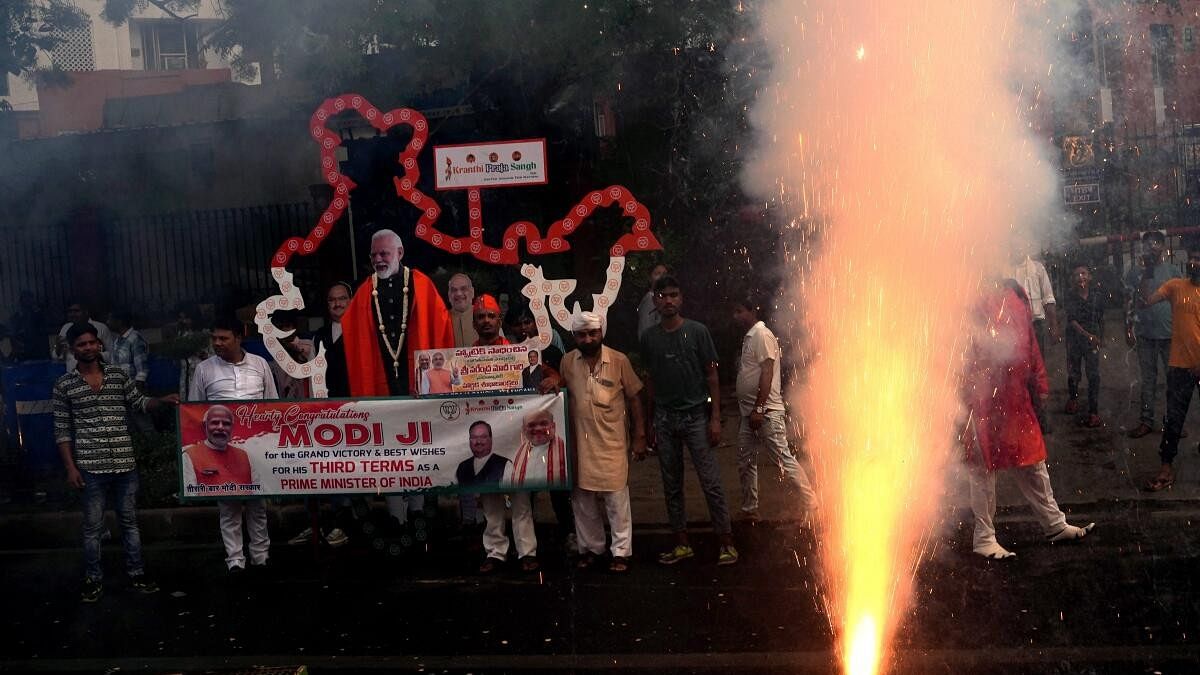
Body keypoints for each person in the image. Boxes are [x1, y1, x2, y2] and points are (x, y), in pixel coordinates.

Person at [962, 281, 1095, 559]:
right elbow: (958, 350)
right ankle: (984, 538)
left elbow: (1030, 341)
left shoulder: (1015, 292)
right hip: (982, 397)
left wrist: (1040, 382)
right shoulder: (967, 295)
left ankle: (1055, 525)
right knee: (982, 467)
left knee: (1033, 463)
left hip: (1015, 397)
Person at [53, 322, 177, 602]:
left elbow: (139, 403)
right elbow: (61, 430)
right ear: (73, 350)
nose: (88, 348)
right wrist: (71, 468)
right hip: (90, 467)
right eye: (81, 344)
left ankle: (137, 573)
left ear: (99, 344)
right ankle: (93, 578)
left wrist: (162, 400)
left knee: (130, 522)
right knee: (92, 527)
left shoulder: (119, 376)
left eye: (91, 343)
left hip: (124, 463)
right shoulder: (64, 385)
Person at [640, 275, 738, 566]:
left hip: (696, 416)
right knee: (671, 483)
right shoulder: (649, 338)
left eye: (673, 295)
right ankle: (682, 543)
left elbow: (712, 375)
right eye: (663, 296)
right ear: (655, 300)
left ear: (681, 299)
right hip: (665, 418)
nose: (668, 301)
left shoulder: (697, 332)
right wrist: (649, 423)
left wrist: (716, 417)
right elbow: (650, 381)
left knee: (711, 482)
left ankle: (726, 543)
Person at [189, 316, 279, 576]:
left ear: (241, 336)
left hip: (255, 448)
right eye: (214, 338)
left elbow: (272, 405)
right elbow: (196, 411)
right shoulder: (204, 369)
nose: (217, 343)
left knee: (257, 505)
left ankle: (261, 557)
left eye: (223, 338)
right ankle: (235, 561)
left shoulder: (260, 365)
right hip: (219, 449)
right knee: (228, 506)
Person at [559, 311, 646, 573]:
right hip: (580, 444)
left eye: (592, 333)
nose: (588, 338)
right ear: (574, 337)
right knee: (583, 500)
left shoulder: (619, 360)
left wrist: (640, 436)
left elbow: (634, 399)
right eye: (582, 334)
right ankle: (592, 549)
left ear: (601, 333)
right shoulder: (567, 361)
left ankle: (621, 553)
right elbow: (561, 389)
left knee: (616, 500)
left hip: (612, 442)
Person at [731, 297, 817, 523]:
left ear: (752, 310)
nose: (736, 317)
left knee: (783, 458)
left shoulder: (762, 335)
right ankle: (750, 509)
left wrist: (759, 407)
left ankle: (811, 504)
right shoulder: (750, 337)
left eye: (739, 311)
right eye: (734, 312)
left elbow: (767, 372)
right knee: (746, 460)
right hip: (749, 413)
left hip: (765, 412)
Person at [342, 228, 454, 396]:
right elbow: (350, 332)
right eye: (373, 255)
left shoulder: (422, 285)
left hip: (418, 380)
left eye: (383, 254)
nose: (378, 260)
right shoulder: (365, 292)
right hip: (381, 379)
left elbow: (441, 328)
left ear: (400, 253)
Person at [1141, 248, 1200, 491]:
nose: (1194, 263)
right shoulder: (1176, 286)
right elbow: (1147, 300)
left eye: (1199, 260)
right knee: (1173, 419)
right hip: (1179, 366)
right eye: (1193, 259)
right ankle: (1166, 467)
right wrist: (1148, 270)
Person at [1125, 231, 1179, 438]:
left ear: (1163, 247)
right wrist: (1128, 326)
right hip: (1145, 334)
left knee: (1173, 381)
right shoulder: (1135, 272)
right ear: (1143, 248)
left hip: (1169, 334)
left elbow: (1180, 302)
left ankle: (1174, 423)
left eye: (1157, 242)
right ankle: (1146, 421)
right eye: (1148, 244)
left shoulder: (1173, 271)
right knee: (1148, 380)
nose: (1153, 246)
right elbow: (1130, 300)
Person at [1063, 264, 1105, 428]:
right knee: (1074, 372)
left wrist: (1101, 336)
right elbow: (1072, 321)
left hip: (1092, 339)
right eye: (1077, 274)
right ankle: (1073, 399)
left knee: (1093, 375)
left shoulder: (1097, 296)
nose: (1081, 277)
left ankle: (1093, 412)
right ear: (1073, 279)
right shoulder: (1070, 296)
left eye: (1084, 273)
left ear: (1090, 277)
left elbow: (1101, 317)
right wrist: (1090, 336)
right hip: (1075, 339)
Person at [181, 405, 257, 492]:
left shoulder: (244, 456)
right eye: (215, 423)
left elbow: (257, 488)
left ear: (232, 428)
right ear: (205, 426)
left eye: (226, 424)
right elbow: (190, 493)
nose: (220, 427)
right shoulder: (190, 455)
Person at [502, 408, 569, 488]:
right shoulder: (513, 456)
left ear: (553, 426)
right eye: (531, 425)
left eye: (543, 423)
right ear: (524, 430)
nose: (538, 429)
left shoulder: (567, 451)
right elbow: (508, 486)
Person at [312, 282, 352, 398]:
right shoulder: (319, 336)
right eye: (332, 300)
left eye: (342, 299)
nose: (337, 304)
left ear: (351, 301)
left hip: (358, 403)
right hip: (329, 405)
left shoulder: (363, 331)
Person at [268, 309, 314, 400]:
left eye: (288, 326)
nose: (285, 330)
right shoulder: (275, 354)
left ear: (294, 327)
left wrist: (294, 346)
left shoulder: (307, 345)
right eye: (281, 328)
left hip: (308, 403)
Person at [54, 301, 113, 371]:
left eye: (76, 311)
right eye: (70, 311)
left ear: (86, 312)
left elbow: (112, 354)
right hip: (72, 373)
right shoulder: (66, 328)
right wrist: (58, 348)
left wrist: (94, 354)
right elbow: (55, 356)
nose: (72, 314)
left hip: (96, 372)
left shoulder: (101, 328)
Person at [456, 420, 511, 487]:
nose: (478, 441)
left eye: (483, 437)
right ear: (469, 440)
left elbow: (510, 495)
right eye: (474, 437)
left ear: (491, 439)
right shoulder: (462, 467)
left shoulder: (505, 465)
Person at [637, 263, 670, 339]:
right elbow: (644, 333)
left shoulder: (663, 300)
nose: (662, 276)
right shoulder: (650, 300)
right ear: (650, 278)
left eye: (664, 274)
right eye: (657, 273)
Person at [447, 272, 479, 347]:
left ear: (472, 292)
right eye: (454, 290)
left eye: (463, 289)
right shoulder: (442, 320)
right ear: (449, 295)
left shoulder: (487, 316)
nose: (458, 294)